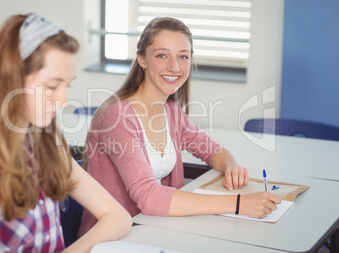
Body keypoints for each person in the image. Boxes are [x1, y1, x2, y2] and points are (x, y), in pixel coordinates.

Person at [0, 13, 131, 253]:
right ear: (11, 81)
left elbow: (118, 217)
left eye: (66, 86)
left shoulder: (48, 147)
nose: (62, 100)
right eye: (51, 87)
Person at [78, 17, 281, 237]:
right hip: (113, 239)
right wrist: (240, 203)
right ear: (142, 60)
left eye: (183, 56)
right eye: (162, 55)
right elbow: (149, 197)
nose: (174, 67)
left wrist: (231, 166)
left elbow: (212, 149)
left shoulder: (170, 110)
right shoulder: (117, 117)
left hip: (154, 229)